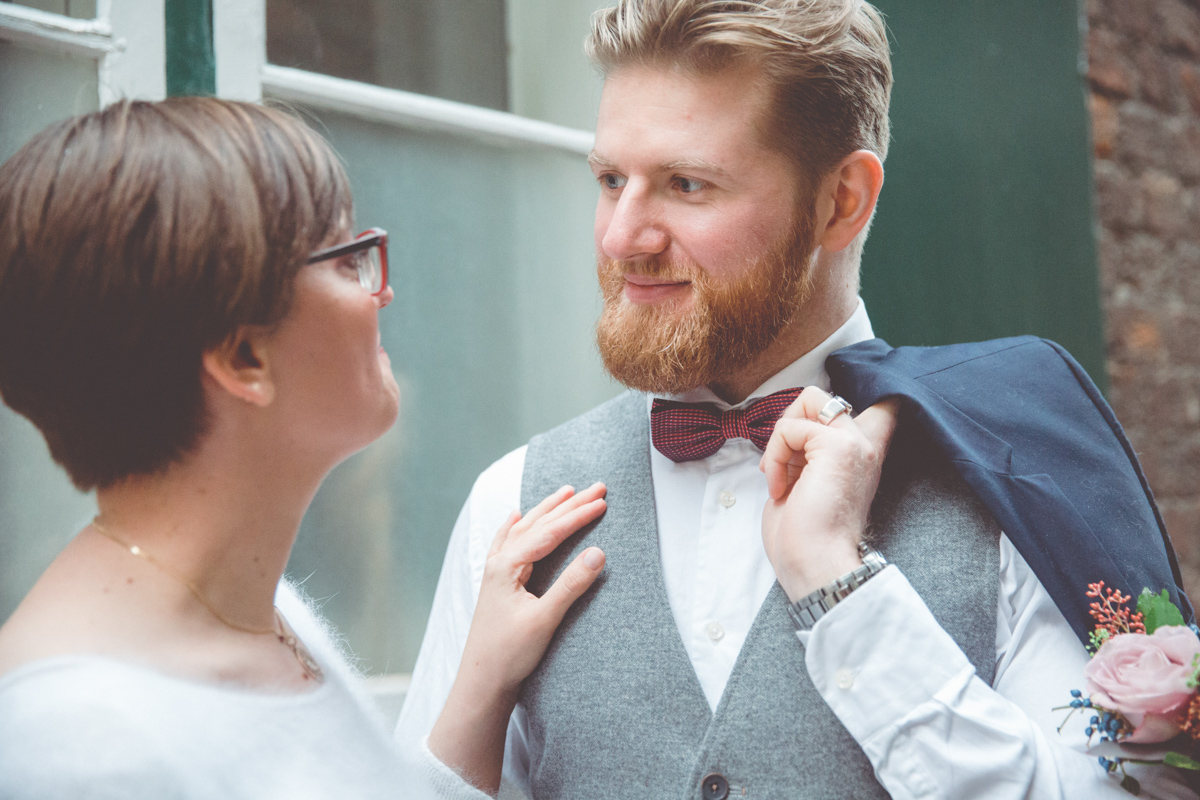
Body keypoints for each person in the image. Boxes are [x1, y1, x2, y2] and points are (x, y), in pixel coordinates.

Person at [396, 0, 1198, 797]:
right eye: (611, 179)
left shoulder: (1015, 477)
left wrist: (840, 589)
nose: (621, 237)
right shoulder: (511, 507)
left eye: (686, 183)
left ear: (841, 200)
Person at [0, 97, 608, 799]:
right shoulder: (74, 749)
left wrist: (484, 678)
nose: (382, 291)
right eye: (348, 260)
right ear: (243, 356)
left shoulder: (268, 612)